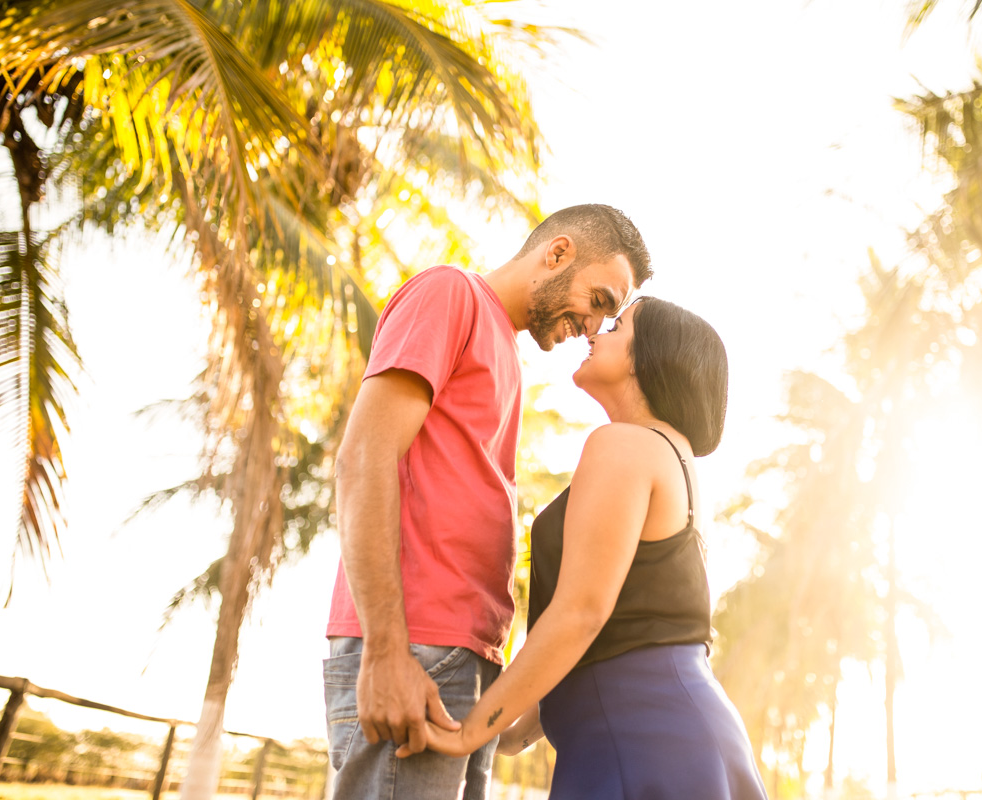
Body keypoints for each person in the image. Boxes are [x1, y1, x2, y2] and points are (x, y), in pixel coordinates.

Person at [324, 204, 653, 800]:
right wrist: (386, 649)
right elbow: (363, 459)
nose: (596, 326)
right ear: (557, 254)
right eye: (600, 300)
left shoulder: (505, 351)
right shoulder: (451, 294)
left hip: (464, 664)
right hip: (414, 649)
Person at [404, 297, 769, 800]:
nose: (596, 333)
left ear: (652, 356)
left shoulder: (624, 444)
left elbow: (582, 613)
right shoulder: (671, 457)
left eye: (618, 326)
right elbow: (627, 627)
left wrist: (471, 731)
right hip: (665, 734)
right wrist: (512, 731)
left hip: (642, 740)